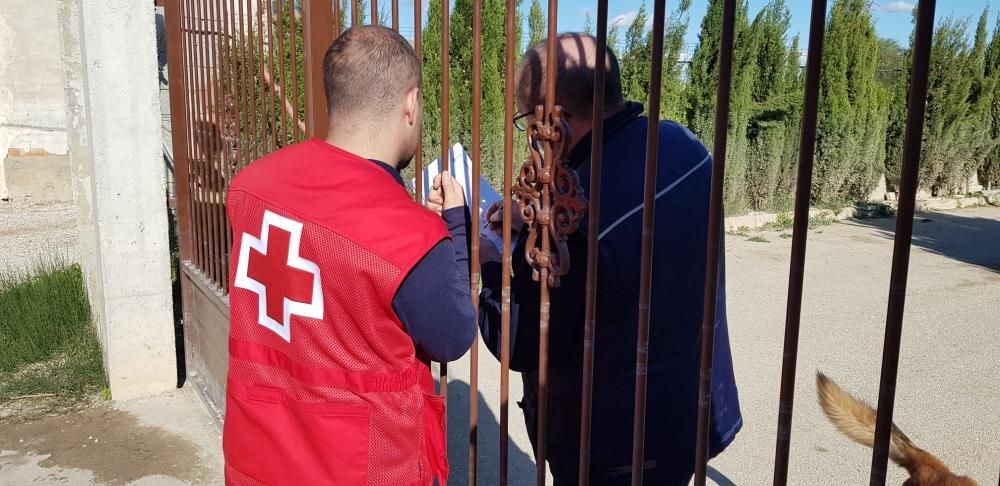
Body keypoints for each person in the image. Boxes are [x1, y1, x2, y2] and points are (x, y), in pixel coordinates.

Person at [478, 33, 742, 485]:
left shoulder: (572, 222)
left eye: (529, 121)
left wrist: (490, 261)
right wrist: (534, 219)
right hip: (690, 414)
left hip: (610, 452)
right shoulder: (685, 146)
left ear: (554, 120)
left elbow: (519, 342)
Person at [222, 26, 475, 486]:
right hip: (364, 466)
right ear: (411, 103)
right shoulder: (410, 234)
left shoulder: (249, 187)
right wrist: (453, 229)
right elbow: (453, 335)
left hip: (257, 456)